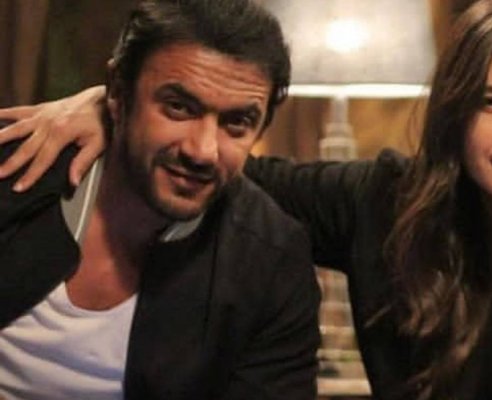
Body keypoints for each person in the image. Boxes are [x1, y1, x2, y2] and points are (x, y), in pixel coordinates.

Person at [1, 0, 492, 399]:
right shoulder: (388, 203)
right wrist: (111, 107)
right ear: (453, 109)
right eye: (490, 101)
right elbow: (221, 162)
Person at [0, 0, 321, 399]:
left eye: (237, 122)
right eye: (178, 107)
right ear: (118, 92)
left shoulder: (269, 262)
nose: (203, 151)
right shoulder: (17, 166)